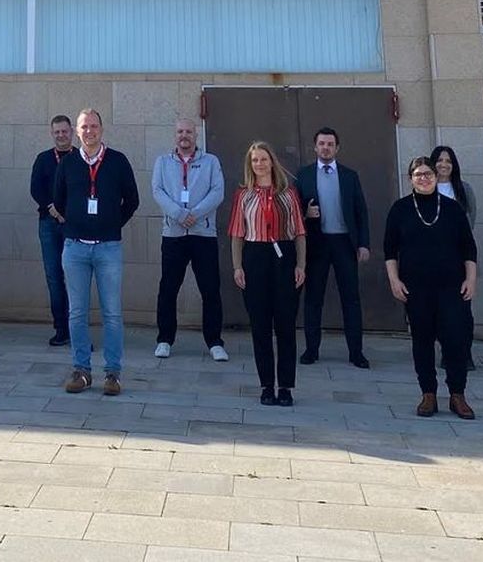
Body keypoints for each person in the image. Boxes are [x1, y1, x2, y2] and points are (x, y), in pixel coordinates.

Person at [52, 109, 140, 396]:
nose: (89, 131)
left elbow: (133, 200)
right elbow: (59, 200)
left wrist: (111, 223)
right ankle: (81, 370)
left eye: (93, 126)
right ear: (77, 132)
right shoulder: (67, 164)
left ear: (101, 129)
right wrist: (78, 221)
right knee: (76, 313)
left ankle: (113, 374)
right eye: (84, 127)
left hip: (108, 248)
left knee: (112, 313)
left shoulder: (118, 161)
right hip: (75, 248)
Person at [385, 157, 477, 420]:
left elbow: (468, 247)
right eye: (417, 174)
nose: (423, 178)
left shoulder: (452, 209)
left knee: (455, 341)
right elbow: (390, 249)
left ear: (436, 177)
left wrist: (470, 279)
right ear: (410, 178)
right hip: (416, 288)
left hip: (452, 287)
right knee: (422, 340)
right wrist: (394, 280)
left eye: (428, 174)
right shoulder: (400, 209)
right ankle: (428, 394)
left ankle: (457, 395)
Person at [229, 142, 307, 406]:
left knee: (285, 325)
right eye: (255, 160)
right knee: (260, 326)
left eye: (263, 159)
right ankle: (266, 385)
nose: (259, 164)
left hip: (283, 258)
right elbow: (237, 234)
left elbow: (299, 233)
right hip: (254, 257)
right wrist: (238, 266)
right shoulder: (244, 195)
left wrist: (301, 265)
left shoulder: (288, 193)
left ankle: (285, 386)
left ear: (272, 161)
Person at [152, 117, 229, 362]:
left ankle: (215, 342)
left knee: (210, 289)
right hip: (173, 235)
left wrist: (194, 215)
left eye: (188, 131)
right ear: (174, 136)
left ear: (196, 135)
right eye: (179, 132)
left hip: (202, 234)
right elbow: (157, 190)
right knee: (168, 289)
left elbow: (217, 192)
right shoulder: (163, 162)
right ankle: (164, 339)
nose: (184, 135)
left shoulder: (210, 162)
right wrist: (178, 214)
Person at [294, 127, 371, 368]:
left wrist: (363, 243)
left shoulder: (350, 176)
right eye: (321, 144)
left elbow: (361, 212)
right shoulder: (304, 175)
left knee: (351, 298)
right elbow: (294, 212)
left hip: (344, 243)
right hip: (317, 244)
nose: (325, 148)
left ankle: (356, 352)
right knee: (313, 299)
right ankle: (311, 350)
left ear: (337, 148)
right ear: (314, 147)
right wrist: (306, 214)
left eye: (330, 144)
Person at [430, 144, 478, 370]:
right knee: (438, 309)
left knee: (462, 309)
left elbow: (471, 222)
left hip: (458, 258)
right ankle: (446, 351)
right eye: (439, 160)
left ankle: (464, 353)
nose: (443, 165)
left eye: (448, 161)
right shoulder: (426, 188)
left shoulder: (464, 189)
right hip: (432, 258)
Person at [28, 115, 75, 347]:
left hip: (75, 224)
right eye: (56, 132)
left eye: (64, 131)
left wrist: (67, 211)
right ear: (52, 134)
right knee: (54, 276)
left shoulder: (81, 158)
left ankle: (78, 331)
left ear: (72, 132)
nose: (61, 135)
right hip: (48, 223)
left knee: (77, 278)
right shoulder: (44, 159)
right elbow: (36, 188)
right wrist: (53, 209)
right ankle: (61, 329)